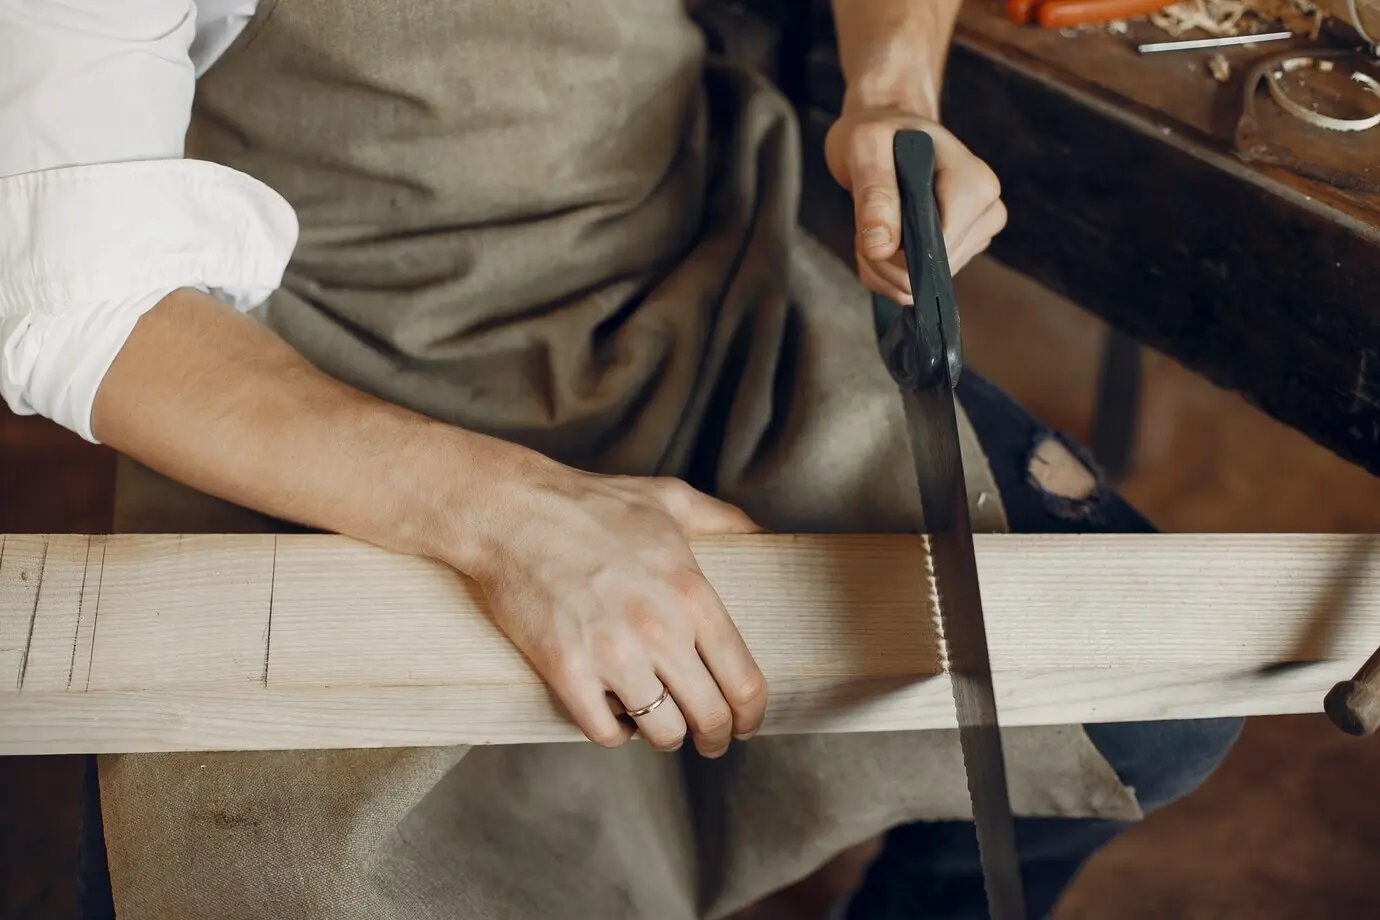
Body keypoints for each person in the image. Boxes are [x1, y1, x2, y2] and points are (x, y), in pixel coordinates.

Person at [1, 1, 1241, 917]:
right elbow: (84, 303)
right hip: (324, 377)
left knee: (1151, 713)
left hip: (686, 279)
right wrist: (514, 520)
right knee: (247, 874)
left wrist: (893, 91)